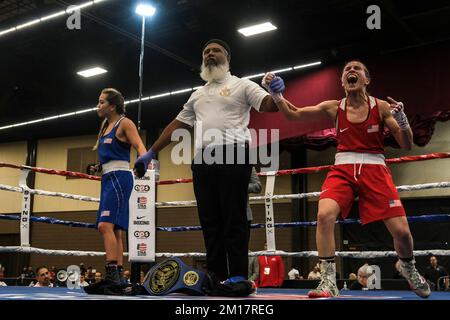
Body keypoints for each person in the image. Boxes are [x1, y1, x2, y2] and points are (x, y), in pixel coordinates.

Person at [264, 60, 430, 298]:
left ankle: (408, 267)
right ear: (342, 82)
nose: (351, 71)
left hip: (375, 168)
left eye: (357, 68)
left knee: (402, 233)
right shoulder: (334, 107)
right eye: (346, 70)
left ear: (366, 79)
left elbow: (406, 143)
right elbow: (293, 114)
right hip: (343, 167)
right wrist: (277, 95)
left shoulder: (381, 107)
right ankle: (328, 281)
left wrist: (403, 121)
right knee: (323, 215)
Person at [134, 39, 278, 296]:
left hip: (235, 153)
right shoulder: (197, 94)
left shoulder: (242, 85)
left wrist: (276, 91)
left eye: (216, 51)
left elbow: (268, 105)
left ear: (227, 57)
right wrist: (151, 152)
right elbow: (176, 125)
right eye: (206, 52)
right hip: (203, 159)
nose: (210, 54)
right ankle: (216, 275)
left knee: (233, 217)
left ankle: (237, 276)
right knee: (209, 220)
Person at [90, 88, 147, 285]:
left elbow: (140, 146)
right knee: (115, 230)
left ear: (112, 106)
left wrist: (142, 162)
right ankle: (119, 276)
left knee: (105, 225)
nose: (98, 106)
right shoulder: (106, 125)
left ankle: (111, 273)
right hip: (107, 177)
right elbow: (111, 154)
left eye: (101, 102)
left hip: (119, 178)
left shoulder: (125, 123)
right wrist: (98, 166)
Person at [247, 166, 262, 242]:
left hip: (243, 214)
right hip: (221, 215)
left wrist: (240, 186)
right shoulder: (216, 164)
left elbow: (258, 186)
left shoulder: (245, 164)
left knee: (241, 249)